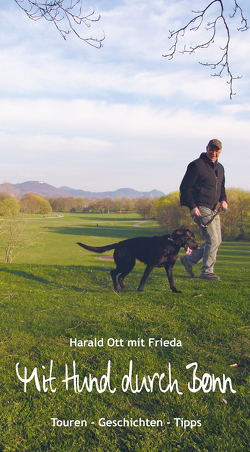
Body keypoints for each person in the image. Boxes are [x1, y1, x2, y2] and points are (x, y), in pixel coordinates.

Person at [179, 139, 228, 281]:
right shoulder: (196, 165)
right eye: (211, 149)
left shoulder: (220, 168)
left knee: (217, 240)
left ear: (220, 151)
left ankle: (189, 261)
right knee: (212, 239)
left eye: (217, 150)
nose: (214, 152)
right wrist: (193, 207)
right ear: (206, 148)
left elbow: (222, 188)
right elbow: (185, 188)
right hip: (200, 207)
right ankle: (207, 271)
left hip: (213, 209)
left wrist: (223, 200)